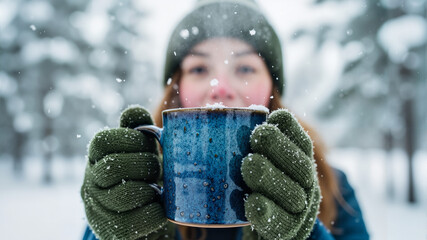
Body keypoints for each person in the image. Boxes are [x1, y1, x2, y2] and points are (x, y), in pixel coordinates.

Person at [81, 0, 370, 239]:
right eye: (199, 68)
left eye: (244, 68)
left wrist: (302, 235)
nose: (220, 86)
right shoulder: (138, 185)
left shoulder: (333, 185)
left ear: (273, 90)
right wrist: (114, 228)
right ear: (177, 88)